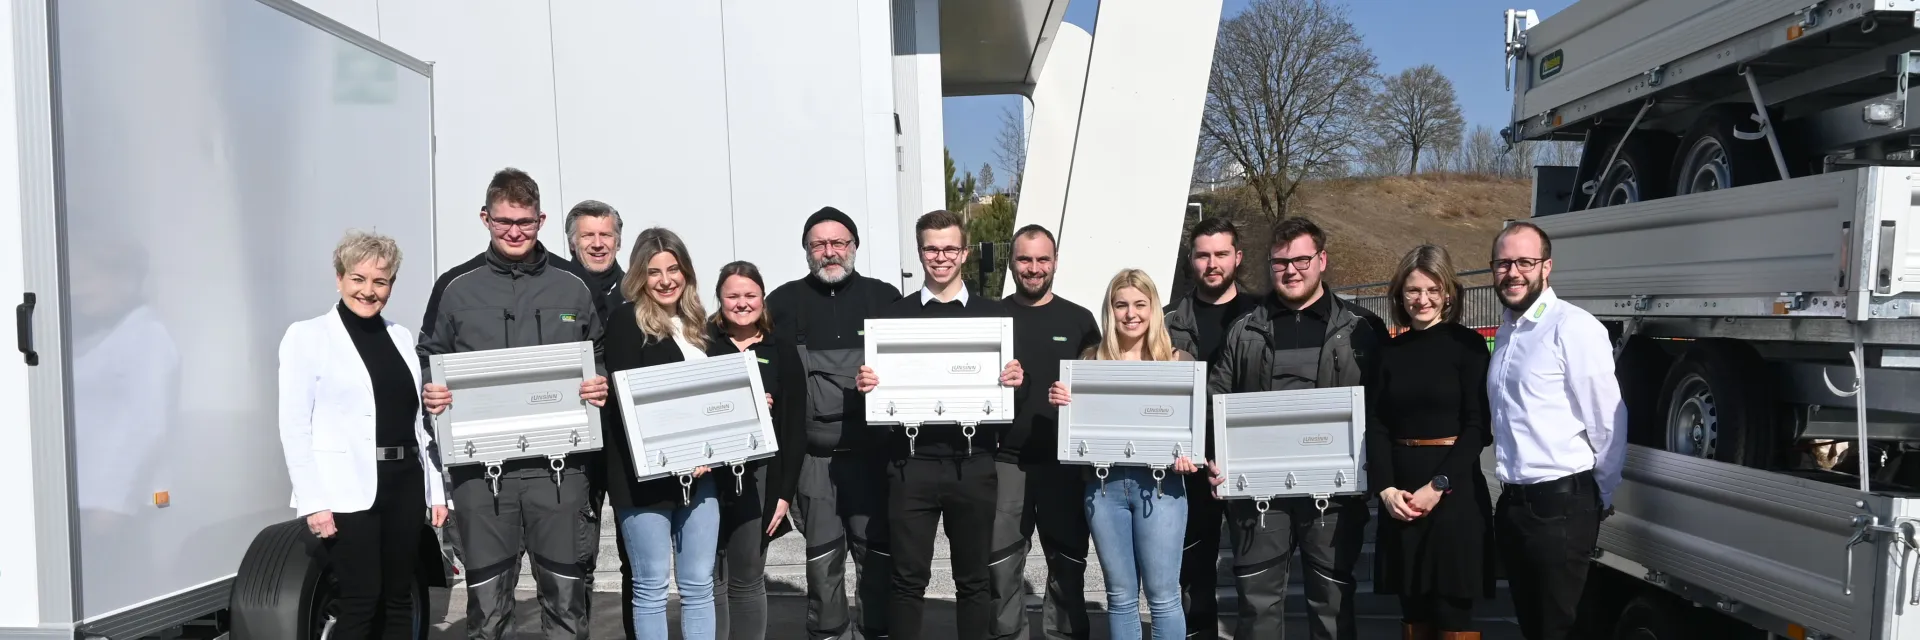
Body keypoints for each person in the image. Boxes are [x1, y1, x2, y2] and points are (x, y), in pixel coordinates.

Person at [416, 168, 608, 640]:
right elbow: (429, 356)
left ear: (541, 220)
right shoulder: (455, 286)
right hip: (481, 476)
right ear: (485, 218)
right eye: (504, 221)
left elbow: (599, 354)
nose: (515, 232)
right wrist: (431, 390)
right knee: (488, 612)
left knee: (566, 605)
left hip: (560, 472)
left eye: (525, 221)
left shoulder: (573, 284)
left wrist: (598, 384)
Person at [1207, 217, 1384, 640]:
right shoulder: (1243, 330)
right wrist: (1214, 456)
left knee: (1333, 605)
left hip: (1335, 495)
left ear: (1322, 260)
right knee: (1257, 605)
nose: (1291, 270)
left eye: (1301, 260)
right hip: (1258, 495)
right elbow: (1216, 403)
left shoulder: (1361, 329)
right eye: (1280, 262)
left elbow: (1383, 406)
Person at [856, 210, 1023, 640]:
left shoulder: (994, 317)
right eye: (932, 249)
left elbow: (1011, 396)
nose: (941, 257)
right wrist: (868, 386)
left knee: (974, 579)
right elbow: (880, 397)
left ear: (965, 253)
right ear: (920, 252)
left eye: (950, 248)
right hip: (910, 464)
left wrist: (1015, 381)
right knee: (907, 580)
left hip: (974, 461)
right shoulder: (893, 317)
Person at [278, 231, 448, 640]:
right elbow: (294, 426)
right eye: (358, 278)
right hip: (346, 491)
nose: (368, 291)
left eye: (380, 281)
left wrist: (436, 491)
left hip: (404, 484)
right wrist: (314, 502)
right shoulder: (307, 336)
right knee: (360, 601)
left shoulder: (400, 336)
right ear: (339, 278)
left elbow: (418, 422)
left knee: (399, 599)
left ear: (391, 285)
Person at [766, 206, 900, 640]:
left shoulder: (885, 298)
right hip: (815, 461)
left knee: (877, 561)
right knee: (822, 565)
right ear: (806, 250)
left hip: (874, 460)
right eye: (819, 244)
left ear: (854, 246)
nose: (830, 252)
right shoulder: (781, 303)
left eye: (839, 242)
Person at [1486, 223, 1625, 640]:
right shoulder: (1508, 331)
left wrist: (1599, 494)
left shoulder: (1573, 327)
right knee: (1533, 627)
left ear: (1547, 267)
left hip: (1560, 507)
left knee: (1557, 630)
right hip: (1514, 505)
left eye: (1524, 262)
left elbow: (1608, 420)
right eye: (1503, 263)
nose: (1513, 273)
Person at [1048, 268, 1200, 640]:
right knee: (1120, 597)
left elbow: (1191, 431)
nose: (1130, 314)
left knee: (1164, 597)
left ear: (1153, 309)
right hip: (1104, 489)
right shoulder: (1088, 363)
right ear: (1110, 310)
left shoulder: (1178, 362)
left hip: (1161, 489)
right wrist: (1062, 404)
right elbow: (1076, 434)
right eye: (1121, 305)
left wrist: (1189, 456)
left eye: (1139, 304)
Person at [1364, 245, 1495, 640]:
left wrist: (1438, 486)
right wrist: (1386, 489)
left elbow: (1478, 427)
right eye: (1413, 290)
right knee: (1413, 609)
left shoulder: (1468, 346)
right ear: (1399, 295)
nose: (1423, 299)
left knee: (1451, 612)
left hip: (1455, 494)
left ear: (1448, 293)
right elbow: (1376, 424)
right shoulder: (1387, 352)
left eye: (1433, 289)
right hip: (1402, 496)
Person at [600, 227, 723, 640]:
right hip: (646, 477)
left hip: (702, 476)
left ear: (686, 271)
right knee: (651, 587)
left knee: (699, 586)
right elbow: (627, 402)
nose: (666, 280)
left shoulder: (701, 325)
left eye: (674, 269)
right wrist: (681, 451)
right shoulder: (626, 321)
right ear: (639, 275)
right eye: (654, 271)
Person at [988, 225, 1100, 640]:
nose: (1033, 268)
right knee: (1001, 567)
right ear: (1011, 263)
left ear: (1055, 263)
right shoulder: (990, 317)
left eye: (1042, 259)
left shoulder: (1079, 320)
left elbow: (1099, 390)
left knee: (1068, 567)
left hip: (1064, 464)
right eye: (1024, 259)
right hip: (1005, 462)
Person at [1160, 218, 1259, 640]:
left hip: (1250, 460)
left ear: (1238, 257)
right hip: (1187, 464)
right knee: (1192, 572)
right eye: (1203, 255)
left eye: (1221, 254)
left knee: (1256, 573)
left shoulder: (1263, 315)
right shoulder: (1166, 323)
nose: (1212, 263)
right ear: (1191, 260)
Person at [707, 261, 808, 640]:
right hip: (707, 475)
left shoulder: (780, 348)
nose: (742, 303)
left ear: (763, 299)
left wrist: (784, 494)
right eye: (732, 295)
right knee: (709, 577)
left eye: (750, 295)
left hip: (761, 477)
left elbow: (794, 428)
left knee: (748, 576)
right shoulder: (702, 344)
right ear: (720, 299)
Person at [562, 199, 627, 321]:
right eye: (588, 235)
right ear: (572, 243)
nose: (597, 244)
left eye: (605, 235)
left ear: (618, 242)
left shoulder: (637, 294)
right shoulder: (555, 294)